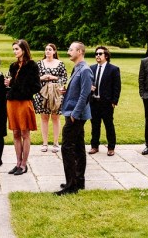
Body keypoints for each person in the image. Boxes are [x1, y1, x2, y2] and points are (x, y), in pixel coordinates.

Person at [55, 41, 93, 195]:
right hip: (72, 112)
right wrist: (67, 91)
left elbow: (85, 95)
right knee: (78, 146)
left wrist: (75, 114)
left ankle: (71, 186)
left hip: (75, 114)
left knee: (67, 147)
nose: (68, 51)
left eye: (71, 49)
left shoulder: (85, 70)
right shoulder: (77, 68)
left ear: (80, 52)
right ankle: (78, 181)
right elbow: (78, 91)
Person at [5, 39, 41, 176]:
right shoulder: (13, 66)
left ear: (24, 50)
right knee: (15, 133)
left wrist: (21, 90)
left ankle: (24, 164)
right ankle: (18, 162)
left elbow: (37, 86)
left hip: (24, 102)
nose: (14, 51)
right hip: (12, 102)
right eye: (13, 49)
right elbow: (13, 84)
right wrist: (9, 84)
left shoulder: (32, 65)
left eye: (17, 49)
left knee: (25, 133)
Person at [33, 43, 67, 153]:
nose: (47, 51)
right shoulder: (39, 64)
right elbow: (34, 79)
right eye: (46, 49)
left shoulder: (60, 64)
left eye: (50, 49)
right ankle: (45, 143)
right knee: (44, 118)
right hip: (42, 93)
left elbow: (64, 78)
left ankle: (56, 143)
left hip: (56, 94)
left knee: (55, 118)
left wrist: (53, 77)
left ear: (54, 51)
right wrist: (42, 78)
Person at [88, 46, 121, 156]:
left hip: (106, 103)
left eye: (100, 53)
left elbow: (117, 87)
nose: (97, 55)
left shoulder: (113, 69)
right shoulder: (91, 68)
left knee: (109, 125)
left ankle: (111, 147)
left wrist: (114, 101)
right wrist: (90, 88)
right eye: (96, 54)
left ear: (106, 56)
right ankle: (94, 146)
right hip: (94, 102)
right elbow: (88, 83)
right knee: (95, 125)